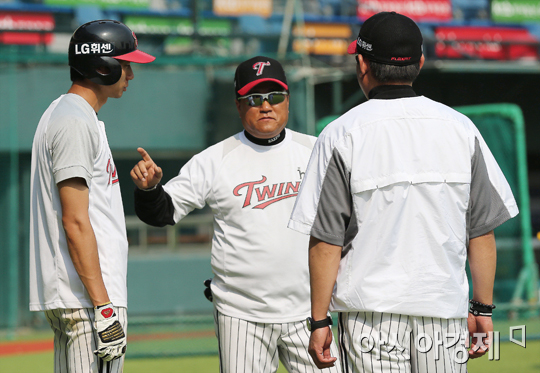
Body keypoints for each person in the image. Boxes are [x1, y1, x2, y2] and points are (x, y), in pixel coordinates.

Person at [288, 11, 519, 373]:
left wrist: (319, 321)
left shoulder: (340, 133)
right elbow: (482, 232)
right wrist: (483, 308)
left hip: (371, 318)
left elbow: (325, 241)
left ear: (361, 64)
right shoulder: (462, 129)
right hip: (443, 316)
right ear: (420, 62)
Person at [131, 56, 341, 373]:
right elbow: (163, 213)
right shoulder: (216, 160)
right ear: (239, 105)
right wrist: (149, 189)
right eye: (255, 98)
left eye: (275, 96)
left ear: (287, 100)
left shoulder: (317, 151)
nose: (266, 105)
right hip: (242, 314)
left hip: (309, 312)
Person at [29, 20, 155, 373]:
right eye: (125, 63)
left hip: (80, 296)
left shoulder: (69, 113)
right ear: (102, 66)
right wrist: (103, 307)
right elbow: (74, 220)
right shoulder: (73, 121)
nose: (131, 73)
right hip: (88, 300)